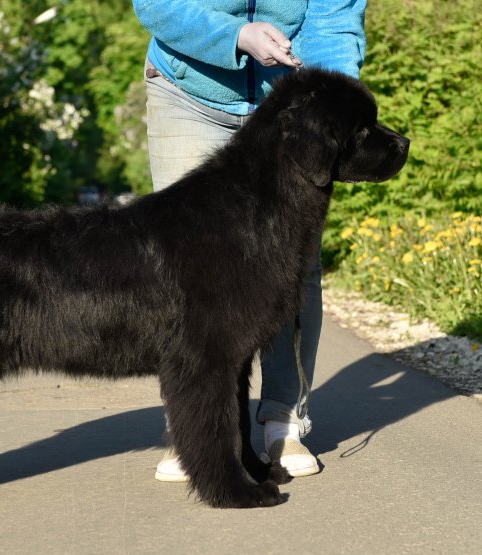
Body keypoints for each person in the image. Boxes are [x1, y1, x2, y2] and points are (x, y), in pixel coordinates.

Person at [132, 0, 367, 481]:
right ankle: (196, 431)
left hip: (290, 108)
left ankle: (283, 419)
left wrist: (331, 98)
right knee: (190, 273)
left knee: (292, 264)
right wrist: (236, 37)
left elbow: (335, 17)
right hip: (188, 92)